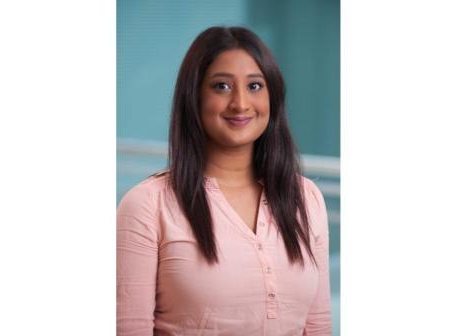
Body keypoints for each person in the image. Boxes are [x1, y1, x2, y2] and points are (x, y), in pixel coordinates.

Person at [117, 26, 332, 335]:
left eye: (255, 86)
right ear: (194, 97)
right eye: (222, 86)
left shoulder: (306, 198)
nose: (240, 103)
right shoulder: (147, 205)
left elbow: (317, 326)